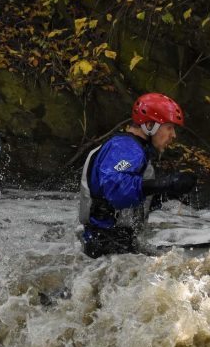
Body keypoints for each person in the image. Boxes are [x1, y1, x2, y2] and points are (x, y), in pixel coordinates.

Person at [79, 92, 197, 258]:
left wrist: (167, 194)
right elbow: (116, 189)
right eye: (169, 127)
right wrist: (166, 183)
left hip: (115, 244)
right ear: (149, 125)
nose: (173, 135)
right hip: (105, 246)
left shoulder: (134, 150)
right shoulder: (126, 147)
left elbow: (133, 201)